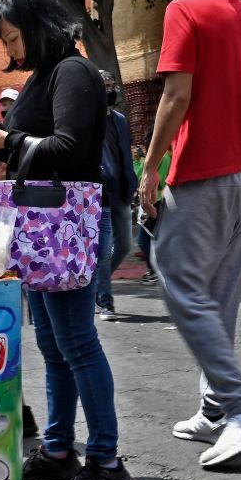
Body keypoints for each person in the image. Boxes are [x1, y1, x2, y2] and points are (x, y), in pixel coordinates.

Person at [0, 0, 131, 480]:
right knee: (54, 347)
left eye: (13, 38)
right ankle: (59, 448)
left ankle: (106, 461)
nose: (10, 51)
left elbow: (69, 148)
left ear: (36, 26)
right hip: (38, 231)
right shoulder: (45, 76)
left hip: (59, 229)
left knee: (78, 342)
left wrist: (6, 140)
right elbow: (30, 147)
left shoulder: (73, 71)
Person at [139, 0, 241, 468]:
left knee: (174, 276)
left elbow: (176, 97)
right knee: (217, 293)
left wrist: (151, 168)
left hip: (202, 172)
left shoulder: (186, 11)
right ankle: (216, 410)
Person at [95, 70, 136, 322]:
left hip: (121, 191)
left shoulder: (119, 119)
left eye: (112, 85)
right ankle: (104, 301)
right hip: (99, 194)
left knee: (125, 246)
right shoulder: (87, 119)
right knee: (104, 251)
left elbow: (125, 156)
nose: (110, 89)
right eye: (105, 85)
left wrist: (133, 183)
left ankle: (94, 287)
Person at [133, 142, 170, 285]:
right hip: (161, 200)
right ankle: (156, 270)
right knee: (154, 238)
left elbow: (141, 176)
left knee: (145, 239)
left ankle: (155, 271)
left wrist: (137, 162)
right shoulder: (166, 156)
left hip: (155, 200)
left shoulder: (158, 158)